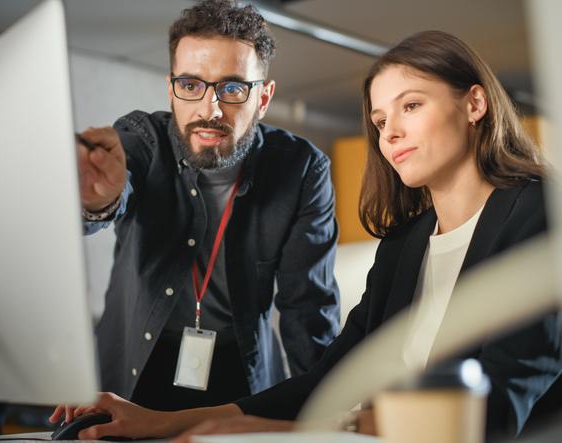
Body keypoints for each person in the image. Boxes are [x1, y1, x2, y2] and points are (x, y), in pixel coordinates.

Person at [51, 30, 562, 441]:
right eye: (380, 120)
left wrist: (288, 430)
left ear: (475, 104)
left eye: (410, 107)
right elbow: (331, 379)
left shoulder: (542, 216)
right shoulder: (405, 244)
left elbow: (500, 403)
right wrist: (163, 422)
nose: (390, 134)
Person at [70, 0, 340, 412]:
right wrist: (96, 200)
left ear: (263, 98)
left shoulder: (302, 170)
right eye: (191, 85)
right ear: (172, 89)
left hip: (241, 373)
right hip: (135, 368)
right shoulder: (141, 139)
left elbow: (308, 308)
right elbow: (113, 193)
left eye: (232, 88)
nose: (209, 110)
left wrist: (329, 411)